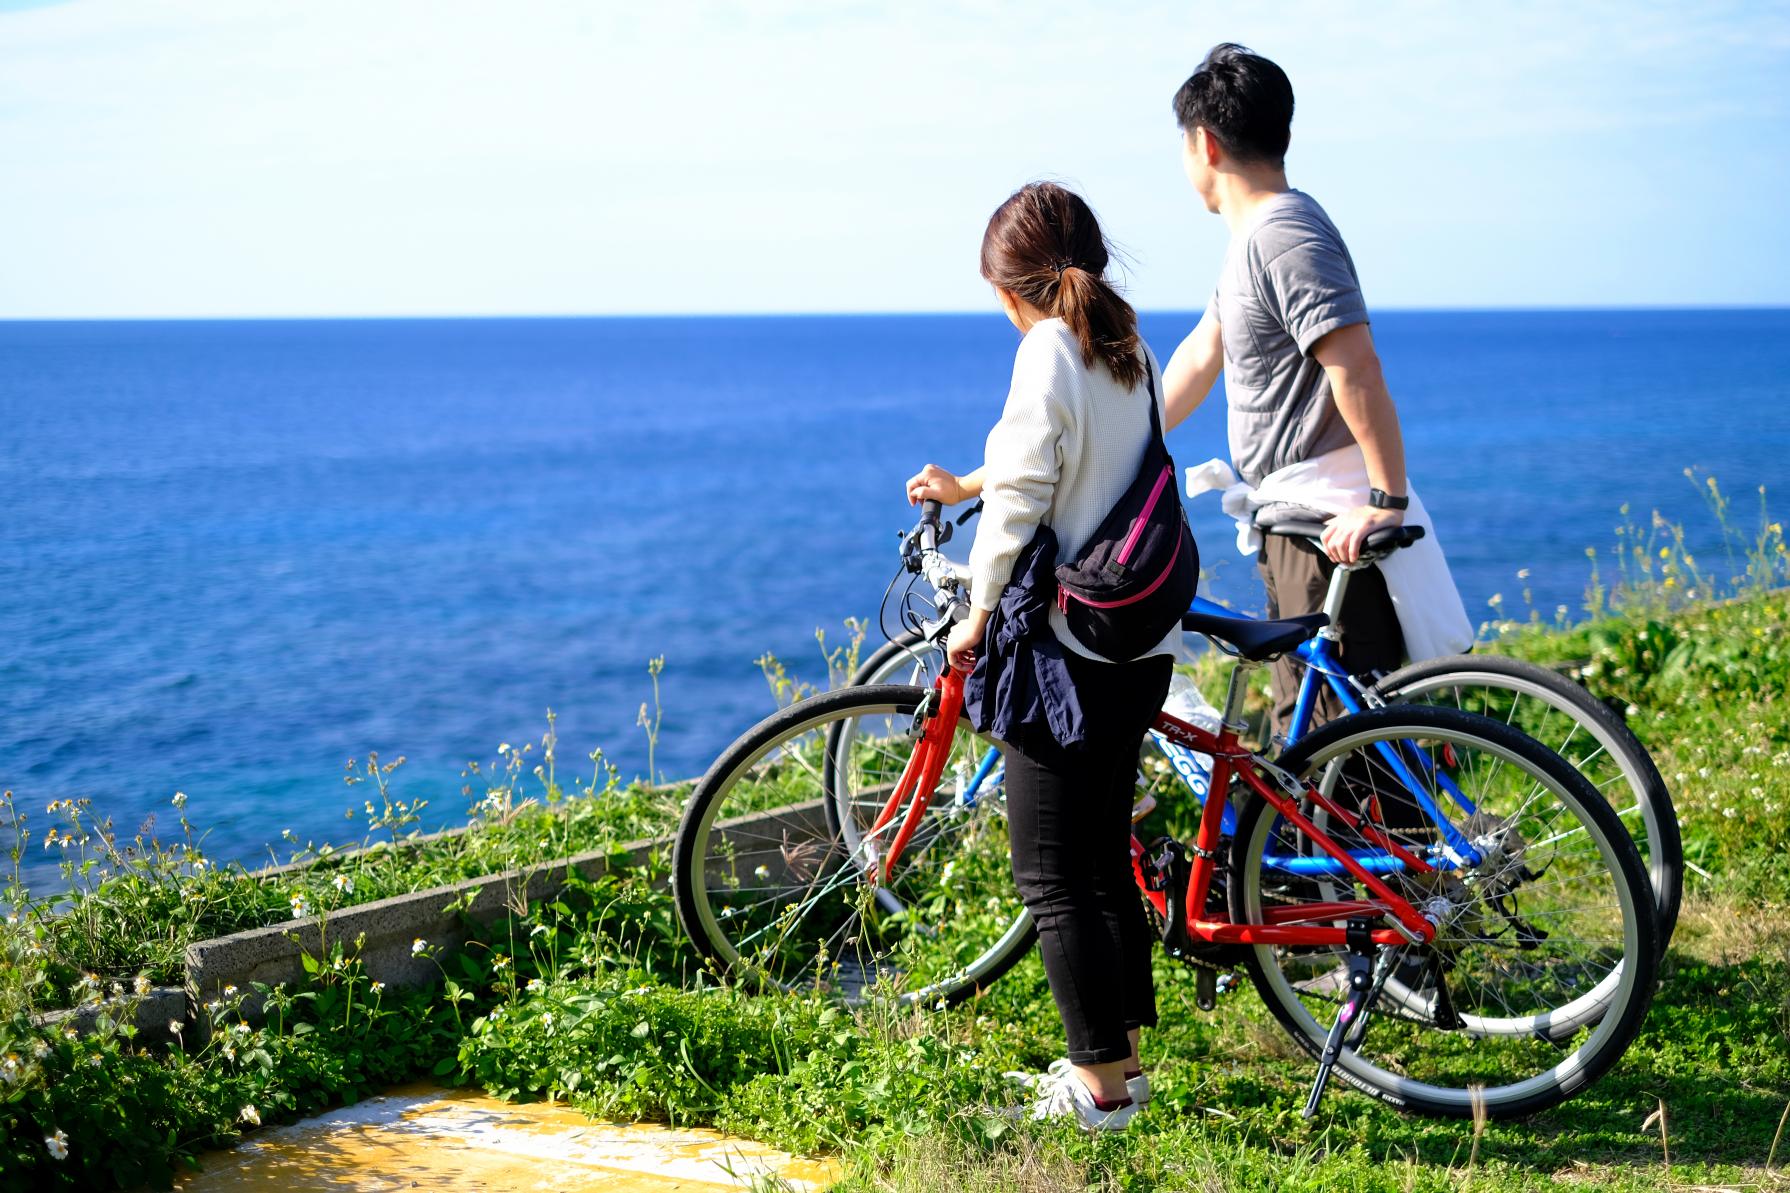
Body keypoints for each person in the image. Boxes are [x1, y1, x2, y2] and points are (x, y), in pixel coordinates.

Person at [905, 182, 1175, 1131]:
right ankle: (1123, 1069)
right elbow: (1069, 456)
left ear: (1006, 287)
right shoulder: (1122, 346)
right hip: (1136, 642)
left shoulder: (1045, 350)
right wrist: (965, 478)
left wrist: (977, 613)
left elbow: (1023, 496)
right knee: (1102, 860)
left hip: (1066, 655)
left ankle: (1099, 1089)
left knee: (1051, 874)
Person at [1157, 43, 1417, 743]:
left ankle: (1398, 854)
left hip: (1328, 517)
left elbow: (1355, 365)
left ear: (1204, 144)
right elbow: (1202, 353)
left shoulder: (1283, 235)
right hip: (1294, 515)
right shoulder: (1254, 240)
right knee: (1301, 723)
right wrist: (1131, 430)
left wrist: (1384, 501)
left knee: (1335, 741)